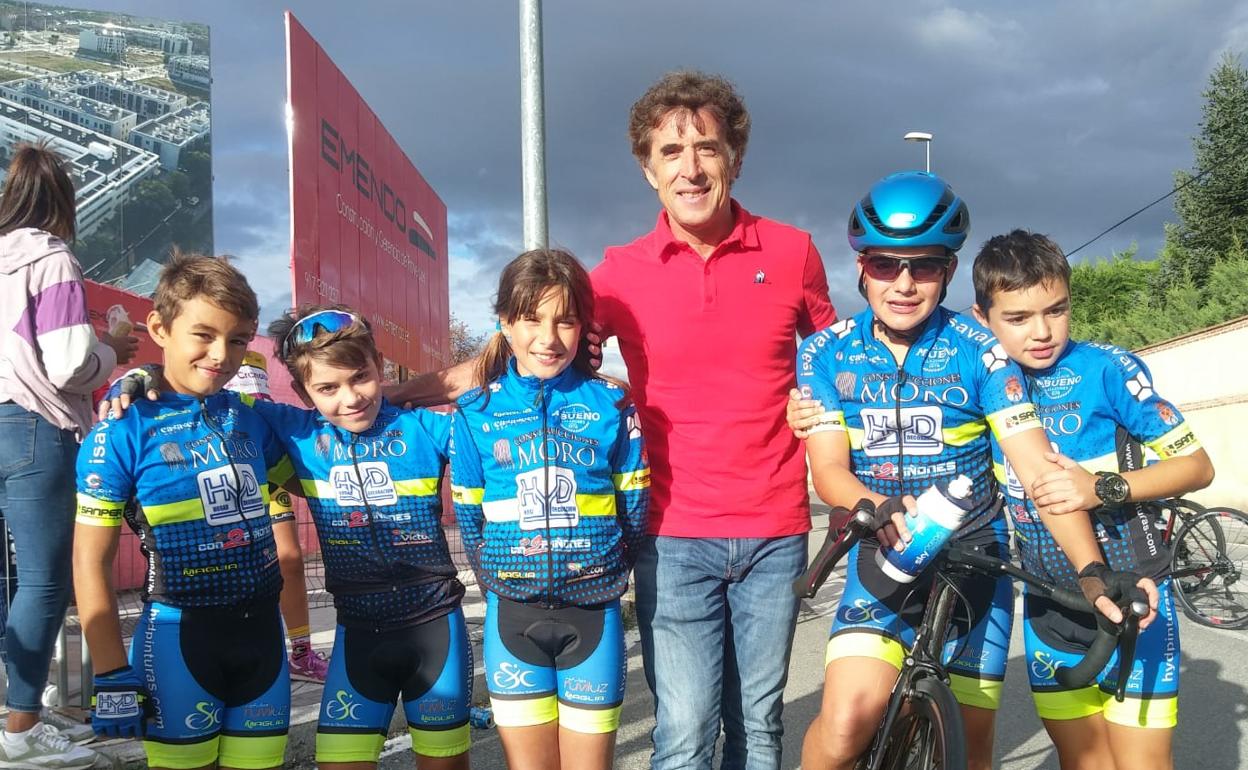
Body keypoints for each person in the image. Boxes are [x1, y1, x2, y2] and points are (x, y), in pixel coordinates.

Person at [387, 70, 833, 770]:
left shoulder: (792, 251)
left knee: (759, 728)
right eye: (670, 151)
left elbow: (837, 358)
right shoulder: (620, 274)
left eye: (707, 148)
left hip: (775, 530)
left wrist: (820, 408)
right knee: (683, 734)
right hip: (673, 533)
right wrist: (393, 397)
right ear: (648, 169)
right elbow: (526, 351)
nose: (690, 168)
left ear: (735, 158)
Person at [791, 172, 1156, 770]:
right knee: (844, 727)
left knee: (970, 751)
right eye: (885, 265)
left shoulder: (981, 350)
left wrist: (1091, 571)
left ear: (949, 270)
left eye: (925, 266)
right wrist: (874, 505)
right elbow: (828, 468)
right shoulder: (824, 351)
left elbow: (1036, 468)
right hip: (883, 549)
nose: (904, 284)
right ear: (861, 268)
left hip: (974, 560)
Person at [104, 307, 475, 770]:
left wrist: (403, 391)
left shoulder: (424, 428)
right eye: (327, 388)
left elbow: (501, 374)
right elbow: (204, 390)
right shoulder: (296, 431)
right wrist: (149, 373)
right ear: (302, 392)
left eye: (361, 377)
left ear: (379, 364)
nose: (350, 398)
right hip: (357, 638)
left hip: (436, 629)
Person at [970, 230, 1212, 770]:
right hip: (1048, 605)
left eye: (1056, 310)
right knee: (1084, 763)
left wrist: (1102, 488)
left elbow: (1198, 467)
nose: (1041, 332)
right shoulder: (983, 384)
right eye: (1018, 317)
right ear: (982, 318)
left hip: (1133, 591)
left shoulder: (1108, 369)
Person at [73, 254, 292, 770]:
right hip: (178, 640)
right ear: (159, 328)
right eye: (204, 335)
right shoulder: (121, 428)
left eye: (237, 340)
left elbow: (312, 474)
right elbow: (89, 561)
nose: (221, 354)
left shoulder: (250, 418)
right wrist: (110, 670)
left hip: (264, 637)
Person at [448, 248, 649, 770]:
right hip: (512, 615)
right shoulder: (475, 410)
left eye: (565, 320)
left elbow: (634, 506)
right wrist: (497, 576)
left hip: (594, 612)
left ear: (583, 326)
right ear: (505, 323)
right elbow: (469, 517)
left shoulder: (613, 403)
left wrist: (607, 568)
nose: (549, 337)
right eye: (531, 319)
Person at [0, 142, 136, 769]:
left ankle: (17, 707)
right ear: (63, 200)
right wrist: (113, 349)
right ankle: (22, 729)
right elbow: (68, 365)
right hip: (35, 425)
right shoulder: (51, 258)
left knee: (10, 581)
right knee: (44, 578)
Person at [224, 351, 329, 683]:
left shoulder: (255, 364)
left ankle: (301, 653)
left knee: (290, 559)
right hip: (222, 476)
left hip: (265, 471)